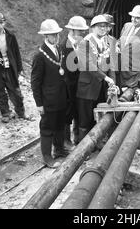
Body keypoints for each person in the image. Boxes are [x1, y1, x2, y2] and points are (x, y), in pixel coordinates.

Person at [31, 19, 70, 168]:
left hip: (60, 98)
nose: (56, 37)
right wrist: (39, 104)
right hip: (48, 100)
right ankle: (47, 157)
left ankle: (59, 150)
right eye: (53, 35)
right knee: (47, 128)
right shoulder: (40, 56)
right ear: (46, 36)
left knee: (60, 125)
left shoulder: (59, 50)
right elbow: (35, 82)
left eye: (57, 34)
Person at [76, 15, 116, 142]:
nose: (103, 29)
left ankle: (96, 143)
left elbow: (111, 64)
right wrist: (105, 78)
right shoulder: (85, 43)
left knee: (99, 116)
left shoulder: (106, 42)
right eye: (100, 26)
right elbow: (88, 65)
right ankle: (82, 148)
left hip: (101, 87)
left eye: (105, 26)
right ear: (92, 28)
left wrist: (112, 81)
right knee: (85, 120)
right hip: (88, 87)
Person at [61, 15, 89, 146]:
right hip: (67, 87)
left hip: (80, 86)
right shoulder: (63, 46)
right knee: (67, 114)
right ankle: (66, 141)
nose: (83, 33)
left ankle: (77, 138)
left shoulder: (82, 44)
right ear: (71, 30)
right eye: (80, 31)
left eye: (83, 31)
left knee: (79, 112)